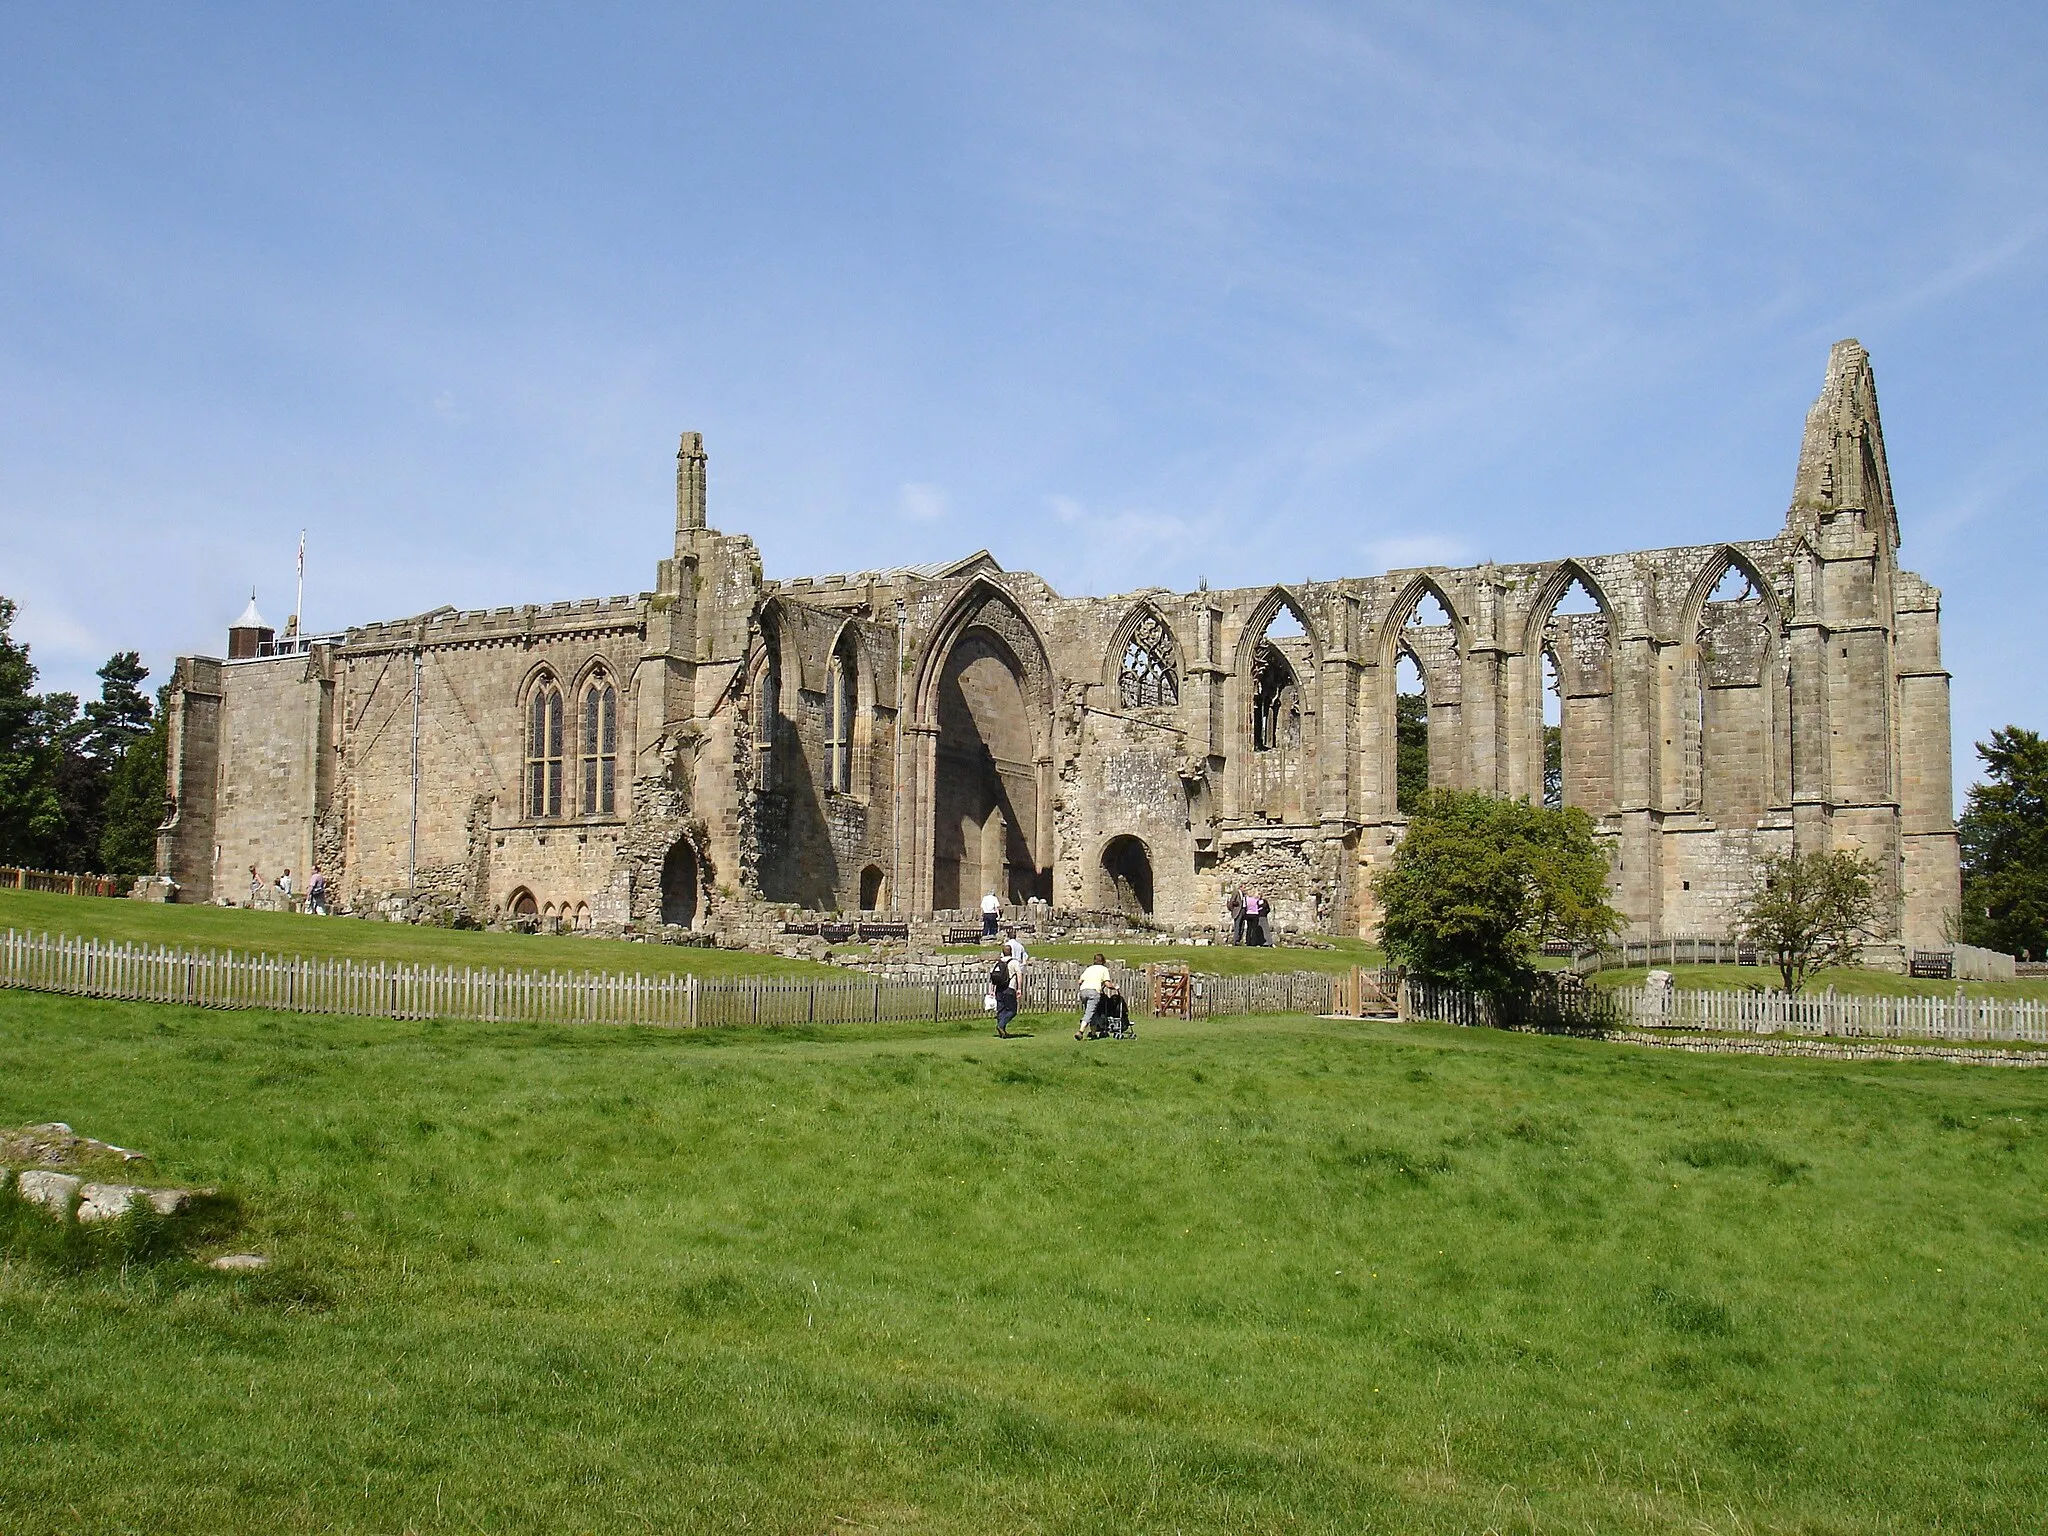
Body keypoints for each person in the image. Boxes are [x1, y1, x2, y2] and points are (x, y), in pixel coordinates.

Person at [1075, 952, 1112, 1039]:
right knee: (1089, 1013)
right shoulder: (1104, 969)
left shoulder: (1089, 969)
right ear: (1103, 961)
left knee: (1092, 1012)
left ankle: (1093, 1033)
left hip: (1083, 991)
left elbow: (1080, 981)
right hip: (1093, 992)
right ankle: (1080, 1031)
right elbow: (1107, 983)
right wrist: (1115, 987)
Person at [989, 948, 1019, 1038]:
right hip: (1009, 988)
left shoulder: (998, 963)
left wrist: (991, 989)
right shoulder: (1014, 962)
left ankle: (1003, 1032)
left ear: (1003, 953)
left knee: (1001, 1010)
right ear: (1011, 952)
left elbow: (993, 977)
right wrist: (1019, 988)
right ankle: (1001, 1025)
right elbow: (1019, 975)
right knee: (1012, 1010)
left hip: (999, 988)